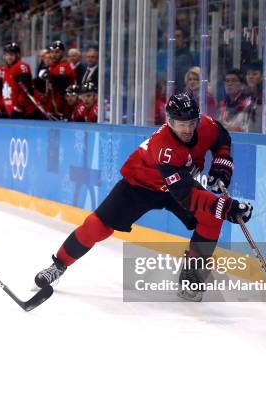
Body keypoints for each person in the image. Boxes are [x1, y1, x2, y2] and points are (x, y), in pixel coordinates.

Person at [33, 93, 253, 302]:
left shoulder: (206, 126)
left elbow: (222, 139)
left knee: (210, 217)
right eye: (181, 124)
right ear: (169, 121)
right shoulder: (163, 147)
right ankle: (58, 265)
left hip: (178, 183)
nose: (187, 129)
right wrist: (226, 208)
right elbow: (186, 195)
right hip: (140, 185)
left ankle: (191, 277)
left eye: (191, 123)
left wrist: (221, 165)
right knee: (96, 225)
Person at [2, 42, 39, 119]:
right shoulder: (6, 69)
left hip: (25, 113)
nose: (9, 57)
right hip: (12, 110)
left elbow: (27, 90)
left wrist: (18, 107)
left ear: (18, 55)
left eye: (11, 55)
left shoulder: (21, 66)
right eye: (7, 55)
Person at [45, 40, 76, 116]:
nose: (53, 55)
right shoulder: (50, 66)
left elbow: (60, 85)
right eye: (52, 52)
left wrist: (48, 75)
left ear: (62, 52)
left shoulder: (66, 66)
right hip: (52, 105)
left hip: (63, 107)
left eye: (57, 52)